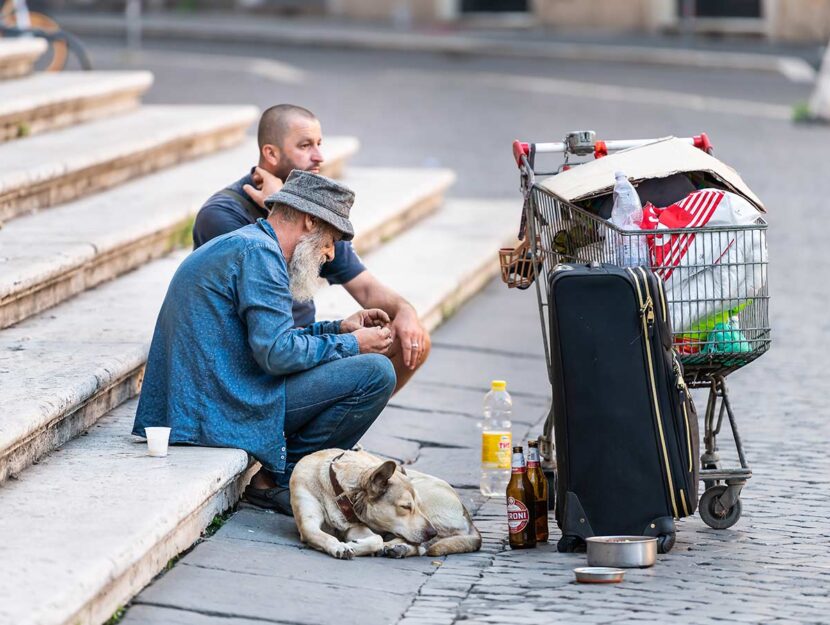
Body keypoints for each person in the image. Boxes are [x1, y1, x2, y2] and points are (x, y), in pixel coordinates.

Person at [134, 170, 397, 516]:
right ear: (308, 221)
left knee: (359, 362)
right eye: (331, 239)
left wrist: (340, 330)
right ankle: (283, 482)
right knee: (376, 372)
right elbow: (277, 355)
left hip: (208, 401)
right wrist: (354, 346)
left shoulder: (251, 245)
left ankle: (282, 475)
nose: (331, 254)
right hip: (213, 412)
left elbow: (273, 343)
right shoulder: (259, 255)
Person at [192, 104, 429, 395]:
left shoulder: (314, 211)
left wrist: (405, 311)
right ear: (271, 153)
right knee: (372, 371)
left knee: (410, 338)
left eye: (319, 144)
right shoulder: (222, 215)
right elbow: (261, 285)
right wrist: (277, 207)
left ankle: (333, 428)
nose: (319, 156)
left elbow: (366, 288)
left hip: (302, 345)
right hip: (256, 362)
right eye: (305, 146)